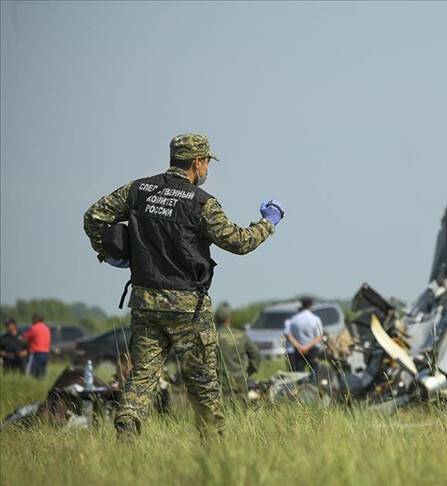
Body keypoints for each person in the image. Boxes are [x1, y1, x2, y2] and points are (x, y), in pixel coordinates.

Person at [83, 133, 284, 438]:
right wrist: (268, 223)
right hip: (187, 307)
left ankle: (128, 417)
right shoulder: (202, 203)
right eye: (207, 163)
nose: (207, 170)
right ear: (197, 162)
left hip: (145, 300)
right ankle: (213, 442)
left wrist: (109, 254)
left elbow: (94, 216)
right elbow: (239, 242)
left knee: (144, 373)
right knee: (203, 379)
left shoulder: (138, 190)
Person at [214, 304, 261, 399]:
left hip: (221, 379)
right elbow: (256, 355)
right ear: (231, 319)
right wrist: (248, 372)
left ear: (216, 319)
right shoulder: (242, 335)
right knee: (242, 408)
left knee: (224, 408)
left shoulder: (214, 336)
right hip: (241, 378)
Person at [284, 297, 324, 372]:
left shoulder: (294, 319)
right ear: (311, 306)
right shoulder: (315, 319)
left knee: (299, 372)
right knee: (314, 371)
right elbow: (319, 337)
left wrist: (299, 346)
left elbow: (288, 335)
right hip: (313, 349)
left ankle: (301, 383)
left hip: (298, 349)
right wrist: (306, 347)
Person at [22, 314, 51, 378]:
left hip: (36, 352)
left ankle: (28, 382)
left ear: (35, 319)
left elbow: (25, 337)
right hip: (46, 352)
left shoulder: (34, 327)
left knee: (32, 371)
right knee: (42, 371)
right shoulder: (46, 328)